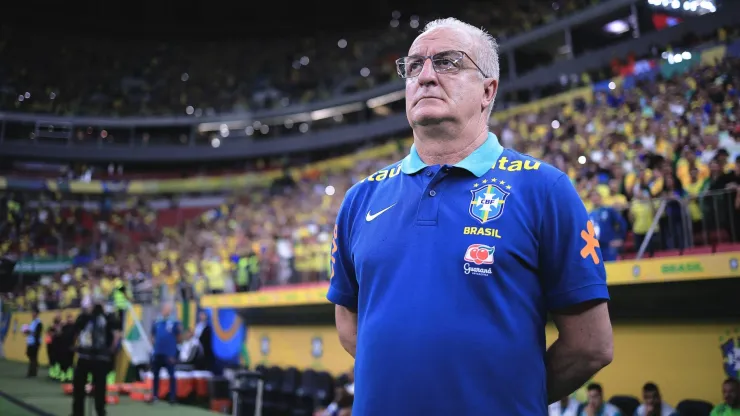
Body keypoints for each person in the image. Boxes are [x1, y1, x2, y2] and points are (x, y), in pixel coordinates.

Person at [327, 17, 613, 415]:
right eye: (413, 66)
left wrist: (500, 397)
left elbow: (590, 347)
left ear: (487, 89)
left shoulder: (545, 189)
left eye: (447, 62)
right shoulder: (361, 198)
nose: (425, 76)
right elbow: (350, 324)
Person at [71, 300, 121, 416]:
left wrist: (111, 349)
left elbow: (116, 333)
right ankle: (79, 412)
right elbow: (77, 329)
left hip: (99, 356)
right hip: (87, 355)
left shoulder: (108, 318)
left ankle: (99, 411)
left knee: (99, 389)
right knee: (81, 387)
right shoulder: (85, 318)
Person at [149, 303, 181, 405]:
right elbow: (152, 335)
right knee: (155, 375)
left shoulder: (174, 322)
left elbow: (179, 336)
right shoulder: (157, 322)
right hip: (158, 353)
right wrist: (154, 346)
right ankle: (155, 395)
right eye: (164, 309)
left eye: (168, 309)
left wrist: (174, 350)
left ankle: (172, 397)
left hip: (169, 354)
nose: (166, 311)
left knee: (171, 375)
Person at [23, 306, 42, 377]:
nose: (32, 314)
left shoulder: (38, 323)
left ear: (37, 314)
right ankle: (34, 368)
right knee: (31, 356)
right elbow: (32, 332)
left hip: (35, 342)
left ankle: (32, 372)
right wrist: (27, 332)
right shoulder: (33, 322)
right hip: (30, 342)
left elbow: (37, 333)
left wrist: (29, 331)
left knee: (33, 357)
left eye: (34, 312)